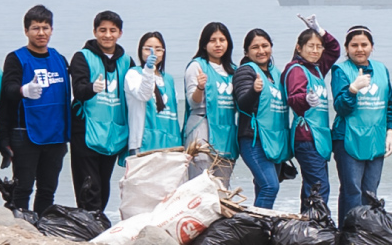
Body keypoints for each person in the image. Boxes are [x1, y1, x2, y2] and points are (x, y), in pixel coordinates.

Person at [0, 4, 69, 214]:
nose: (41, 33)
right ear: (26, 31)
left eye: (45, 28)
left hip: (56, 135)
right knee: (23, 188)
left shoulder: (59, 59)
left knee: (48, 189)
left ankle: (42, 228)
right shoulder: (16, 58)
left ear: (52, 30)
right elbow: (7, 89)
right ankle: (19, 225)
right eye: (36, 28)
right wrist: (22, 90)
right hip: (26, 134)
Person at [68, 11, 130, 213]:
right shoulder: (82, 57)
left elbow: (135, 95)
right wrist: (91, 88)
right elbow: (78, 90)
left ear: (120, 33)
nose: (107, 35)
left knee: (103, 184)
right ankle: (87, 223)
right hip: (86, 132)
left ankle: (97, 223)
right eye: (102, 30)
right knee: (88, 185)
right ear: (95, 32)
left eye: (113, 30)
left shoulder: (127, 61)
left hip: (113, 135)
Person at [331, 25, 392, 222]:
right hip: (348, 138)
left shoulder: (381, 70)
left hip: (376, 137)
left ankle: (367, 233)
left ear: (372, 47)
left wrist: (391, 132)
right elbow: (341, 108)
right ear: (346, 48)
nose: (360, 49)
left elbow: (389, 105)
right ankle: (348, 234)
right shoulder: (341, 70)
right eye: (354, 45)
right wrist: (352, 90)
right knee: (352, 190)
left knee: (370, 191)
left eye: (364, 44)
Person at [283, 16, 340, 213]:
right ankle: (315, 228)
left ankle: (306, 228)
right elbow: (294, 97)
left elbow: (335, 50)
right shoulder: (297, 70)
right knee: (319, 187)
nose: (315, 50)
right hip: (307, 137)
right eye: (310, 46)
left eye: (318, 46)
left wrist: (321, 31)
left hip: (319, 137)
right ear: (299, 48)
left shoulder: (316, 69)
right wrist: (305, 100)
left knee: (312, 187)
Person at [233, 28, 291, 209]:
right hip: (253, 139)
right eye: (255, 47)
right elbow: (242, 103)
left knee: (263, 187)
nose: (261, 51)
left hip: (274, 140)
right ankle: (258, 228)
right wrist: (254, 90)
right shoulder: (245, 72)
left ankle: (260, 229)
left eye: (265, 46)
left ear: (271, 47)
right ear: (246, 52)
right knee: (269, 186)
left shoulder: (277, 74)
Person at [185, 22, 238, 183]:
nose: (218, 44)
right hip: (202, 127)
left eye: (222, 40)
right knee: (200, 184)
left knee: (222, 187)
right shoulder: (197, 66)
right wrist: (200, 87)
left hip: (226, 132)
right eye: (212, 40)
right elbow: (192, 103)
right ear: (204, 43)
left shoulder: (233, 70)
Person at [125, 32, 184, 153]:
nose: (153, 52)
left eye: (158, 49)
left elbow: (173, 112)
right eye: (148, 48)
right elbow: (143, 95)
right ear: (140, 51)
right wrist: (148, 69)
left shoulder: (168, 79)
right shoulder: (134, 74)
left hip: (170, 143)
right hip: (143, 142)